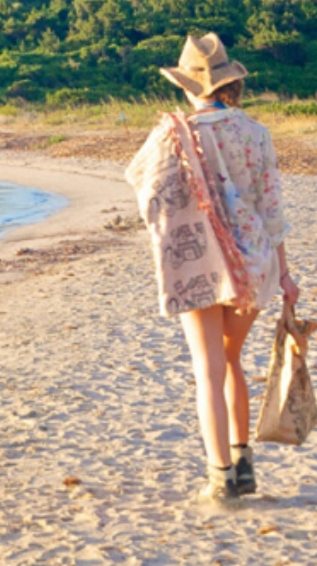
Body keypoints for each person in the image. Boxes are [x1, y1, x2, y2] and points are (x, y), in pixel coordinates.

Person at [124, 33, 300, 503]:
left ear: (188, 86)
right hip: (254, 260)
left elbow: (142, 184)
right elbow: (272, 210)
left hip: (199, 260)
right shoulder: (256, 133)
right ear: (228, 82)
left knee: (207, 368)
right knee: (232, 361)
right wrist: (284, 275)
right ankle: (243, 465)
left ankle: (220, 477)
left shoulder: (170, 134)